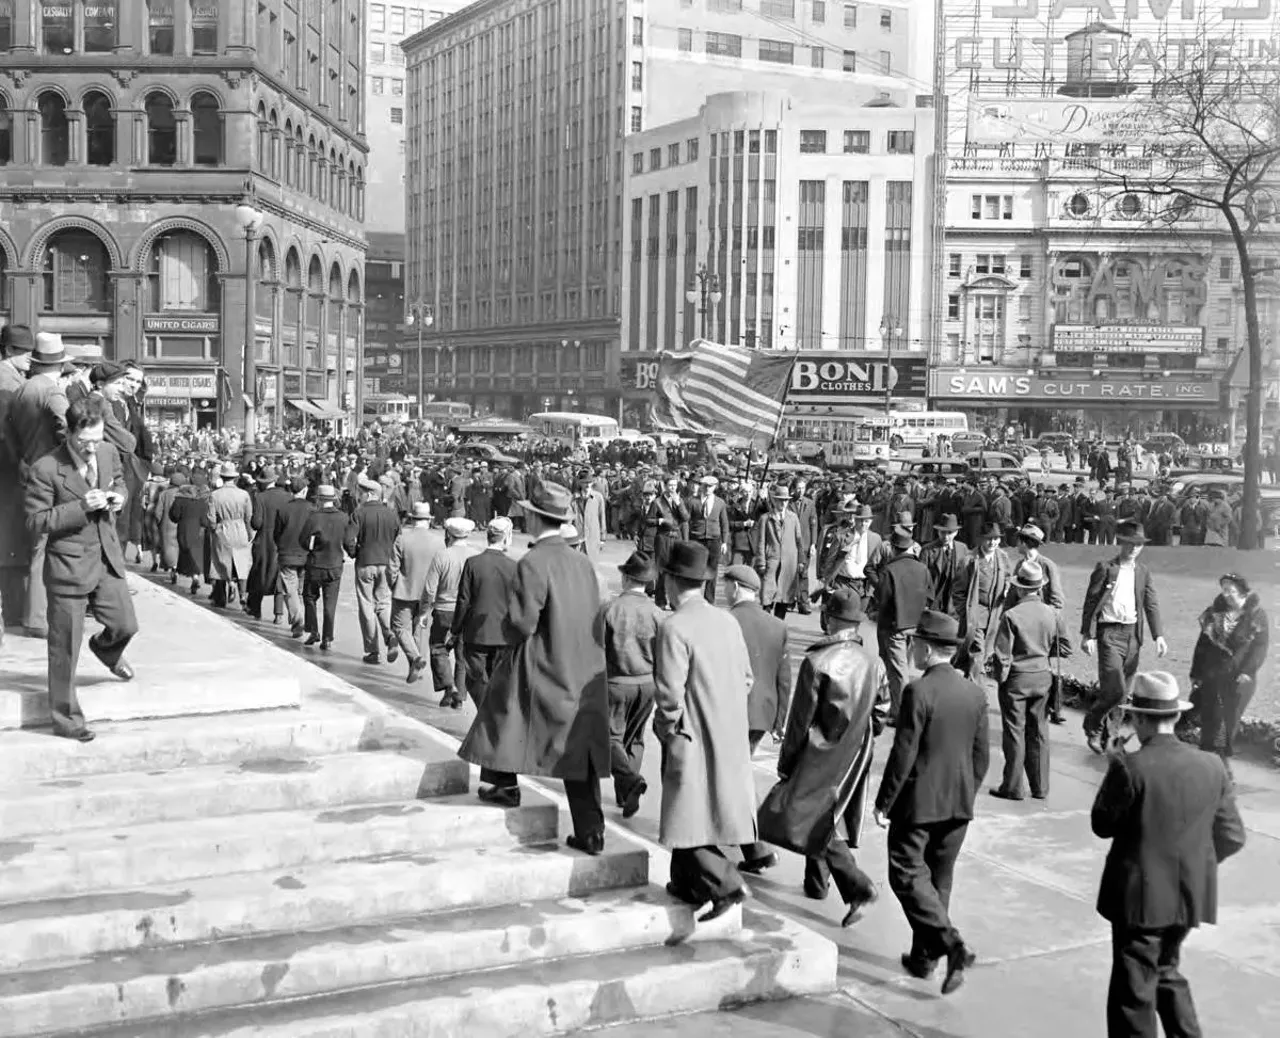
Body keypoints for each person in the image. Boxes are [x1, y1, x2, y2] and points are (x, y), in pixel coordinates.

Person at [458, 482, 610, 858]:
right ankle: (591, 831)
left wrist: (508, 626)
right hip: (584, 663)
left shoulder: (534, 562)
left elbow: (522, 623)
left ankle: (502, 783)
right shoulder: (582, 562)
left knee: (501, 711)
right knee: (581, 749)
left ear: (534, 516)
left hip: (543, 660)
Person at [1091, 671, 1246, 1038]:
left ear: (1140, 719)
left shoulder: (1131, 767)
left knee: (1134, 991)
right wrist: (1197, 861)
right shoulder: (1212, 765)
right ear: (1175, 715)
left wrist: (1115, 766)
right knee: (1165, 971)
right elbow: (1232, 835)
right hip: (1188, 893)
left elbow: (1102, 824)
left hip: (1140, 896)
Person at [757, 588, 887, 928]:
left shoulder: (817, 661)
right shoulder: (875, 662)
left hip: (819, 751)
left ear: (828, 618)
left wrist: (787, 763)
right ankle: (817, 884)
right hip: (856, 750)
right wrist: (863, 734)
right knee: (828, 811)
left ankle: (857, 885)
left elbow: (800, 721)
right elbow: (882, 711)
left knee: (810, 816)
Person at [874, 610, 989, 995]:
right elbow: (982, 756)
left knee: (905, 872)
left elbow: (903, 753)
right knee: (938, 879)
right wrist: (966, 793)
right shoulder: (974, 693)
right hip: (958, 801)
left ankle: (951, 945)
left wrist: (884, 801)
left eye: (914, 644)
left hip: (920, 802)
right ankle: (924, 959)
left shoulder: (917, 691)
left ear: (924, 647)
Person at [652, 540, 757, 922]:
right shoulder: (727, 620)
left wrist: (668, 730)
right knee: (700, 813)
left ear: (670, 580)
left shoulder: (674, 627)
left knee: (687, 813)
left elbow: (668, 696)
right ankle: (685, 883)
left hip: (691, 733)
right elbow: (747, 678)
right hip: (728, 729)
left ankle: (726, 883)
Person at [23, 395, 138, 742]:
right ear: (69, 434)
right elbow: (34, 520)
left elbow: (119, 480)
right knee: (64, 650)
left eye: (98, 439)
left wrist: (119, 496)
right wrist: (78, 507)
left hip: (106, 557)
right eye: (84, 442)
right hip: (69, 566)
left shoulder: (107, 451)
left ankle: (106, 648)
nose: (92, 449)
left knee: (125, 624)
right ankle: (67, 720)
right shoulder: (45, 468)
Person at [723, 563, 791, 876]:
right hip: (762, 714)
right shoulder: (777, 626)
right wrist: (780, 721)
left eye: (727, 586)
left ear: (735, 588)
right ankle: (751, 845)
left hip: (730, 712)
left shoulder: (727, 621)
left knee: (732, 779)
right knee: (736, 775)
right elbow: (784, 678)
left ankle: (757, 845)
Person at [1081, 521, 1167, 754]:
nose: (1133, 549)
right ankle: (1093, 725)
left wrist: (1158, 635)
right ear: (1121, 543)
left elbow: (1151, 603)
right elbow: (1090, 602)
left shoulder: (1143, 572)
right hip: (1109, 633)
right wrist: (1087, 635)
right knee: (1115, 688)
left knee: (1124, 692)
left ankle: (1112, 737)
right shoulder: (1106, 567)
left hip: (1133, 636)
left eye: (1138, 545)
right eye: (1129, 544)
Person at [990, 560, 1072, 802]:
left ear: (1019, 588)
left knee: (1015, 732)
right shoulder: (1053, 614)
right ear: (1039, 587)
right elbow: (1065, 648)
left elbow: (1002, 655)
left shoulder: (1011, 615)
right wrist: (1043, 653)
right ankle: (1040, 787)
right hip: (1043, 677)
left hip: (1017, 678)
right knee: (1039, 732)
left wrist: (1001, 679)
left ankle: (1013, 787)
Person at [8, 333, 72, 637]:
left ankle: (32, 614)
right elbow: (69, 430)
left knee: (36, 544)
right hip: (52, 476)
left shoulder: (23, 390)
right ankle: (38, 619)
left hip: (28, 469)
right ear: (59, 365)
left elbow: (9, 435)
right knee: (47, 547)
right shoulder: (52, 392)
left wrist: (22, 459)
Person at [595, 550, 663, 819]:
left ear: (624, 578)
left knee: (611, 737)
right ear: (646, 583)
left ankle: (629, 781)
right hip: (647, 683)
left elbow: (597, 649)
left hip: (616, 682)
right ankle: (625, 794)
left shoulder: (610, 609)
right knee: (635, 737)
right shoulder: (658, 613)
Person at [1189, 573, 1269, 769]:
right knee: (1211, 718)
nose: (1226, 595)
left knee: (1228, 720)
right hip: (1212, 675)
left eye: (1230, 591)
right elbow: (1202, 646)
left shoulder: (1257, 615)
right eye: (1223, 590)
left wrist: (1248, 671)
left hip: (1240, 678)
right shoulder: (1213, 613)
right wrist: (1196, 673)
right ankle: (1210, 762)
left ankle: (1221, 762)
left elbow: (1260, 647)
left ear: (1242, 592)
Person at [451, 516, 518, 704]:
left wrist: (455, 629)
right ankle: (492, 717)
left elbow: (463, 600)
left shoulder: (473, 563)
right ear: (506, 538)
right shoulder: (514, 566)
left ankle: (484, 715)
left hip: (477, 634)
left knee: (476, 681)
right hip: (504, 636)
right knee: (499, 682)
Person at [872, 526, 930, 722]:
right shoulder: (922, 568)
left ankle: (902, 713)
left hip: (893, 626)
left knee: (898, 671)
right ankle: (896, 706)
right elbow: (929, 596)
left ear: (894, 548)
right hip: (915, 625)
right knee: (903, 668)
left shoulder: (889, 570)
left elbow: (882, 597)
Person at [0, 324, 35, 635]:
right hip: (9, 473)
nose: (30, 357)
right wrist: (21, 464)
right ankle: (11, 614)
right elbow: (5, 433)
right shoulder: (6, 382)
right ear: (9, 351)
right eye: (25, 351)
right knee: (10, 540)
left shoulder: (14, 378)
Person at [344, 474, 401, 665]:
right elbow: (397, 539)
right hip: (385, 562)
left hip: (365, 562)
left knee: (366, 605)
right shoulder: (391, 514)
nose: (359, 496)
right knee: (384, 603)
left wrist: (354, 553)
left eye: (361, 493)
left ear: (369, 495)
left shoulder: (359, 513)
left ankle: (372, 650)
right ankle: (390, 634)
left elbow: (348, 539)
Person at [954, 522, 1013, 683]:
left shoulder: (1002, 557)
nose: (993, 542)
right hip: (975, 614)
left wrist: (1007, 586)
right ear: (981, 539)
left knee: (986, 652)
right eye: (989, 539)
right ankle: (977, 693)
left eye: (996, 539)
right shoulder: (969, 560)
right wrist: (964, 612)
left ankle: (967, 684)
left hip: (995, 614)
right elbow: (958, 591)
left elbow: (1008, 577)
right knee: (977, 652)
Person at [387, 501, 438, 684]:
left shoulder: (402, 538)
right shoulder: (437, 541)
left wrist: (393, 584)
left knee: (400, 627)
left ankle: (415, 658)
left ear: (412, 519)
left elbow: (392, 567)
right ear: (428, 520)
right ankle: (417, 662)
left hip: (404, 589)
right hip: (428, 592)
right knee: (421, 629)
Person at [300, 485, 348, 650]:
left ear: (319, 499)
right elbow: (348, 541)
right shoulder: (343, 517)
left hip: (316, 564)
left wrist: (312, 547)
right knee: (330, 602)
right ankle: (328, 637)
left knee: (309, 597)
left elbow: (303, 540)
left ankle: (313, 631)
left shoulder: (314, 517)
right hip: (335, 564)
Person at [205, 460, 253, 609]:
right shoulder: (244, 494)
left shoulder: (214, 495)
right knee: (242, 562)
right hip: (240, 528)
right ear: (235, 477)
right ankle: (243, 594)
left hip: (223, 528)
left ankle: (220, 597)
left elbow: (211, 519)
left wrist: (214, 529)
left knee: (220, 563)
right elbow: (249, 516)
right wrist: (249, 532)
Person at [814, 502, 880, 610]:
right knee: (842, 617)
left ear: (871, 521)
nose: (864, 524)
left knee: (856, 620)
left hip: (862, 586)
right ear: (856, 520)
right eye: (861, 521)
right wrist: (826, 580)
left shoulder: (876, 539)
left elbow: (877, 564)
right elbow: (830, 560)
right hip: (842, 583)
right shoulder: (842, 536)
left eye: (867, 521)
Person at [246, 467, 290, 622]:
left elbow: (256, 523)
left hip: (264, 541)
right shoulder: (287, 497)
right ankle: (278, 613)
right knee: (279, 576)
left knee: (260, 572)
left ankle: (256, 609)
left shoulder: (260, 497)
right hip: (282, 541)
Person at [753, 484, 803, 619]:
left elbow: (799, 541)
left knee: (784, 596)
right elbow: (761, 542)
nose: (783, 503)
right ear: (774, 501)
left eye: (786, 500)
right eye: (780, 500)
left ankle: (779, 624)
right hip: (772, 560)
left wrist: (801, 561)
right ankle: (767, 623)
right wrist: (761, 562)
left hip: (789, 563)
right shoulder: (765, 518)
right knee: (767, 594)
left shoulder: (793, 518)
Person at [273, 476, 314, 638]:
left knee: (290, 589)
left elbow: (276, 533)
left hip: (287, 553)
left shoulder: (283, 509)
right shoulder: (312, 508)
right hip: (306, 554)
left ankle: (298, 620)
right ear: (304, 490)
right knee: (302, 589)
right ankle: (305, 619)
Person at [685, 474, 730, 603]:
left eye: (710, 486)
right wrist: (687, 540)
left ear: (715, 487)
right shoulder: (692, 501)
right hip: (697, 538)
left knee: (712, 570)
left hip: (714, 539)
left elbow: (724, 523)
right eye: (705, 486)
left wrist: (724, 542)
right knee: (695, 568)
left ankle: (709, 599)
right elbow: (687, 522)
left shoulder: (720, 502)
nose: (707, 489)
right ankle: (693, 598)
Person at [920, 514, 968, 618]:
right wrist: (924, 602)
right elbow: (921, 580)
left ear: (956, 532)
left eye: (950, 533)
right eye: (942, 532)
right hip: (934, 601)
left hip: (954, 603)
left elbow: (965, 577)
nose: (946, 536)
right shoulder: (927, 550)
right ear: (937, 531)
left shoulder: (962, 548)